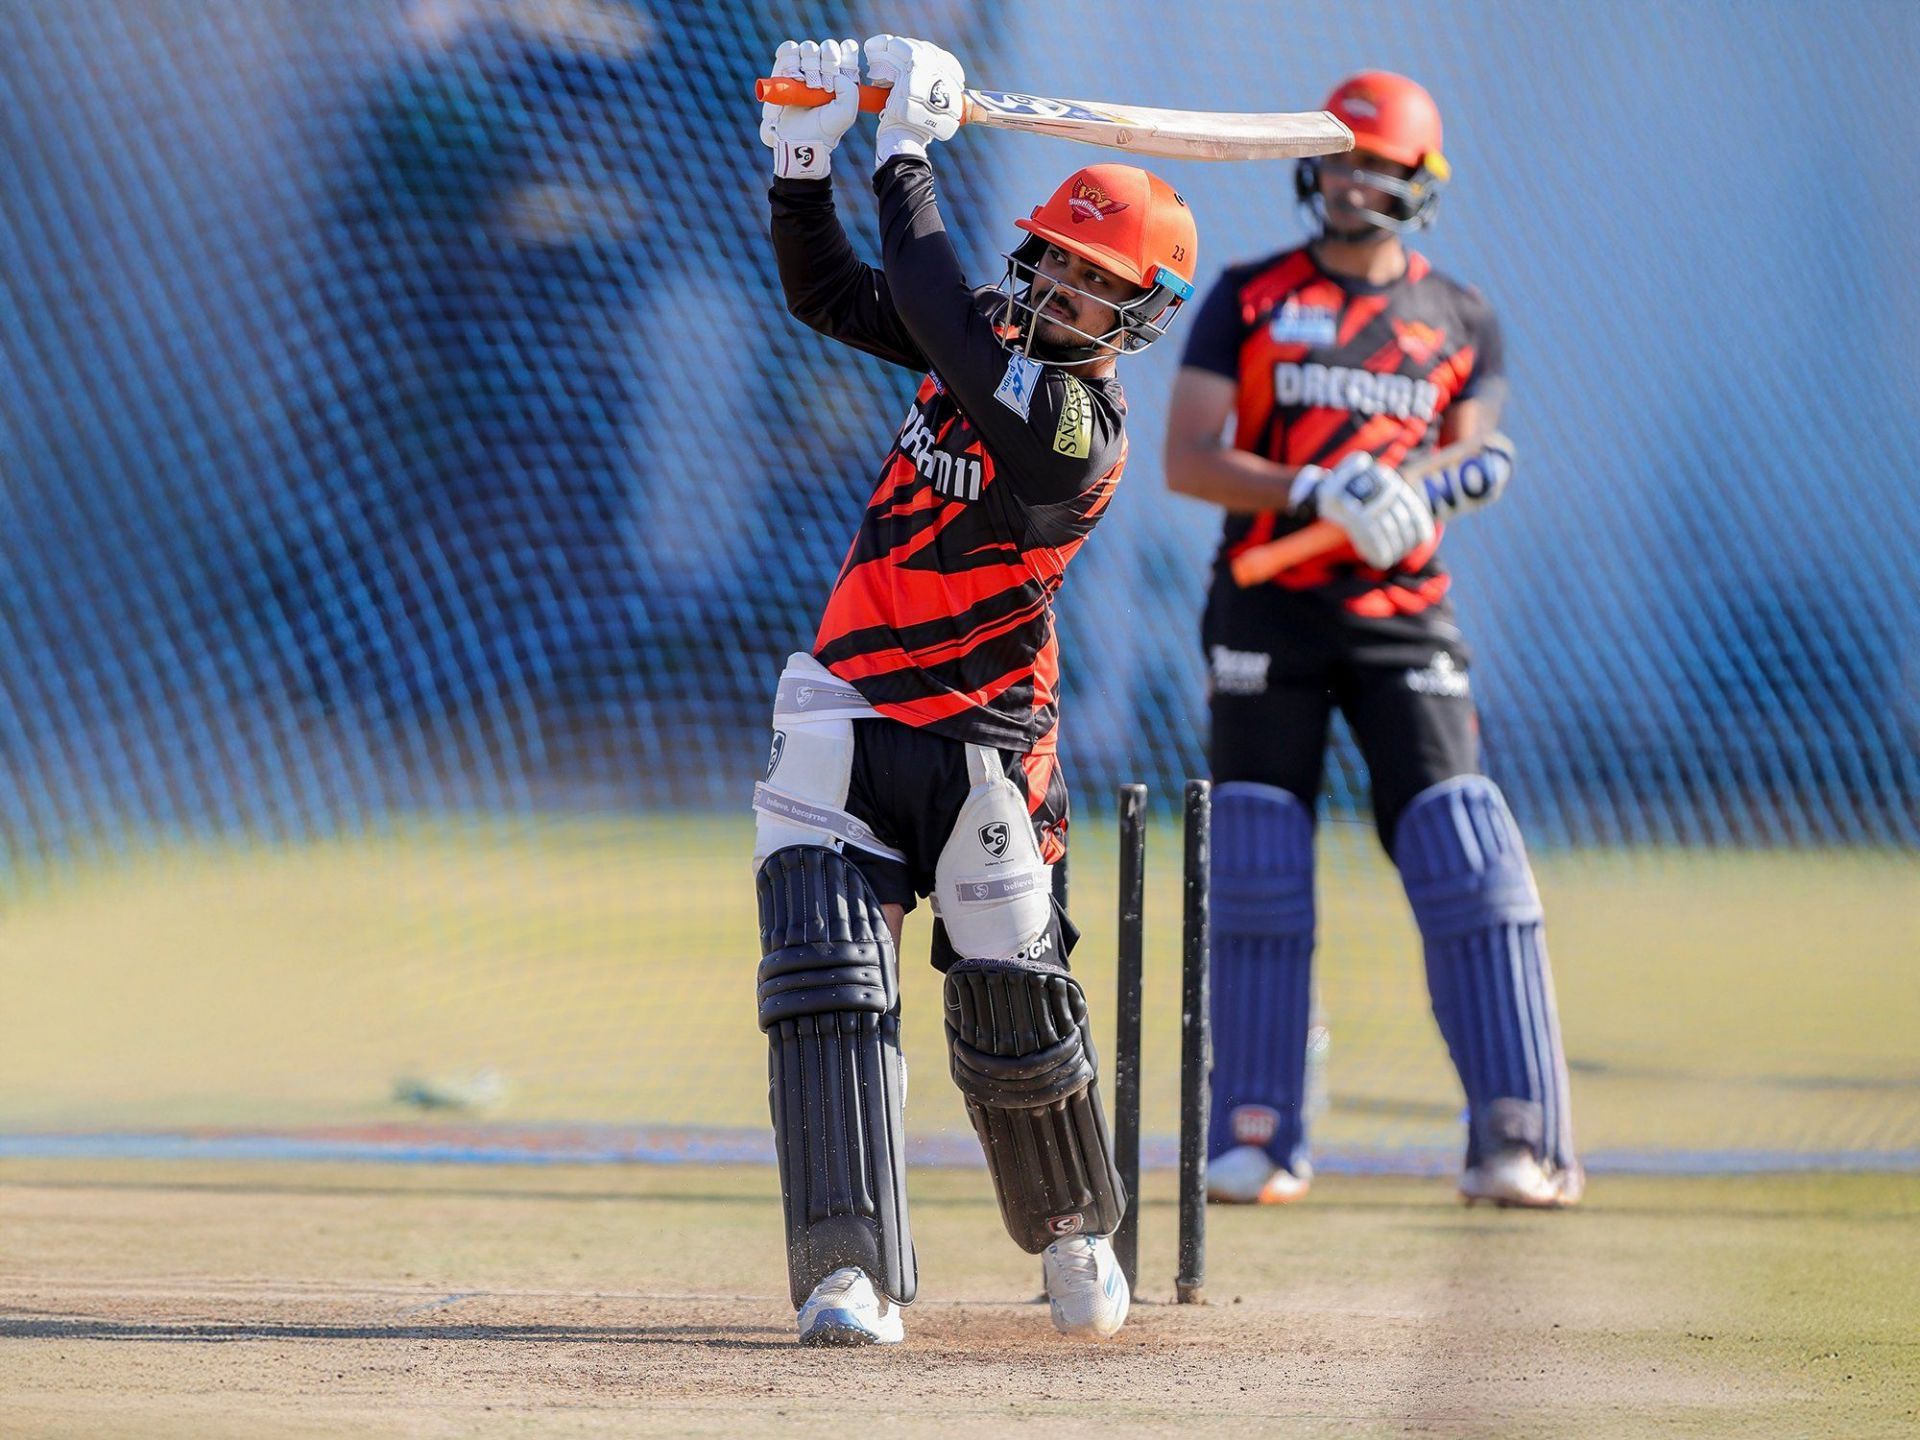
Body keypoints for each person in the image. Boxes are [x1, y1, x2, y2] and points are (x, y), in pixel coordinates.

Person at [752, 35, 1199, 1345]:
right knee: (826, 984)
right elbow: (833, 293)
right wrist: (802, 157)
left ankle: (1073, 1235)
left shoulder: (1079, 438)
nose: (1058, 285)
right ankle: (848, 1273)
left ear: (1135, 314)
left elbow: (936, 302)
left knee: (1012, 1006)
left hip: (987, 751)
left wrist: (904, 153)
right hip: (849, 706)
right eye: (1054, 258)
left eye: (1091, 279)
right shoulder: (984, 331)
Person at [1163, 71, 1581, 1210]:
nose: (1350, 182)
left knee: (1461, 849)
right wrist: (1312, 487)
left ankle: (1518, 1133)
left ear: (1418, 181)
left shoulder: (1463, 316)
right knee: (1255, 850)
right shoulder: (1247, 298)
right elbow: (1189, 456)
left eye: (1375, 165)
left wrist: (1466, 475)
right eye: (1338, 159)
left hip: (1404, 619)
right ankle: (1257, 1125)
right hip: (1268, 610)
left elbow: (1467, 451)